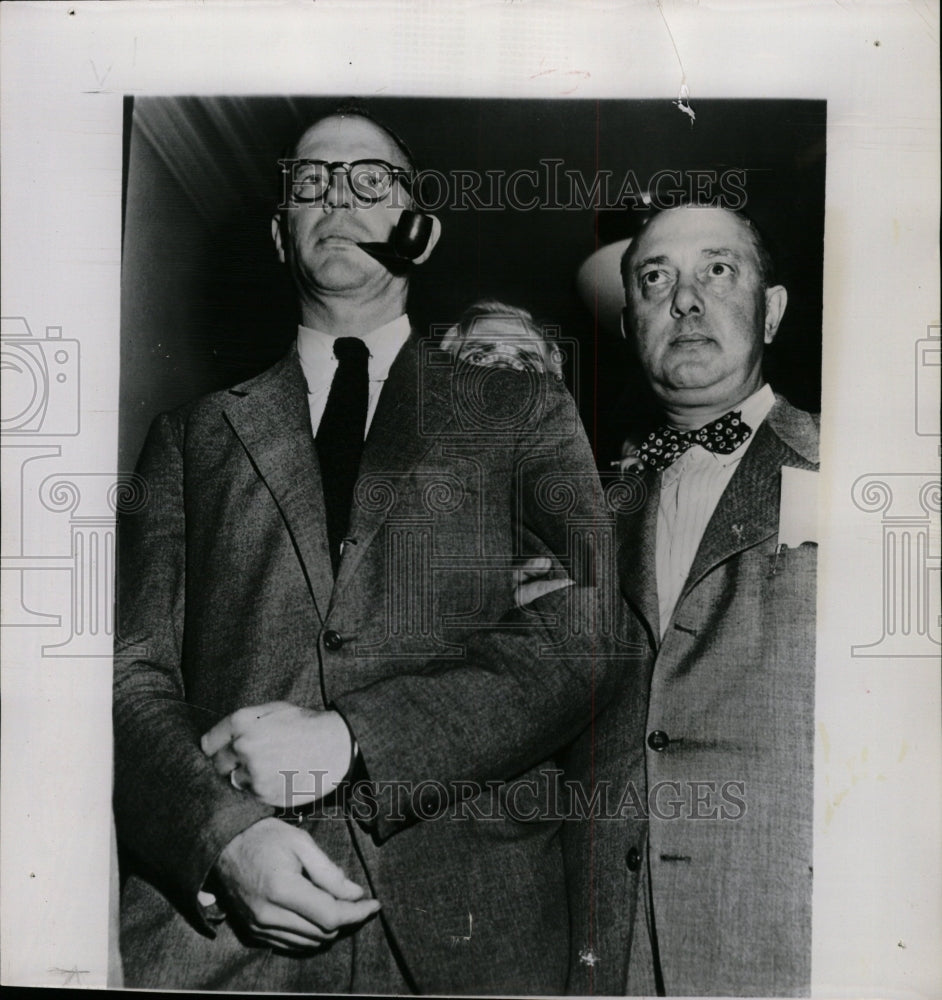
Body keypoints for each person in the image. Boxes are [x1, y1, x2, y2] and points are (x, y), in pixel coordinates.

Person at [112, 107, 614, 994]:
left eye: (369, 179)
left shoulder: (522, 410)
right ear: (280, 233)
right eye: (309, 181)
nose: (336, 195)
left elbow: (583, 635)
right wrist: (220, 831)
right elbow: (131, 673)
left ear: (419, 230)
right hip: (230, 941)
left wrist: (357, 740)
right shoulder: (191, 436)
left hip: (470, 930)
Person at [550, 204, 819, 995]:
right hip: (607, 949)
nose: (687, 300)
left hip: (785, 941)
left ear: (769, 312)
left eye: (718, 269)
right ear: (632, 322)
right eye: (656, 278)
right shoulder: (579, 505)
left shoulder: (867, 469)